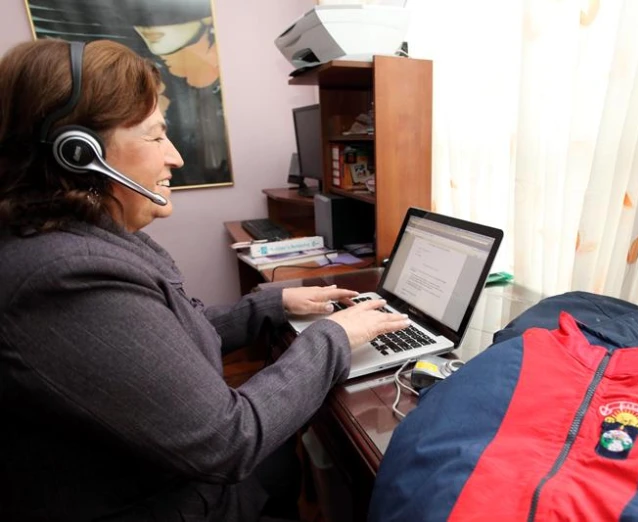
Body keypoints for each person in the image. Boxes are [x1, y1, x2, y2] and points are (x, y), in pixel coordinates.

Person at [0, 39, 409, 522]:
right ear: (77, 154)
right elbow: (228, 439)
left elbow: (160, 337)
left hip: (157, 476)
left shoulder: (69, 245)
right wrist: (335, 337)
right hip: (157, 501)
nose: (175, 156)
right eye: (154, 137)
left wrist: (271, 305)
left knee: (286, 466)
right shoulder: (63, 278)